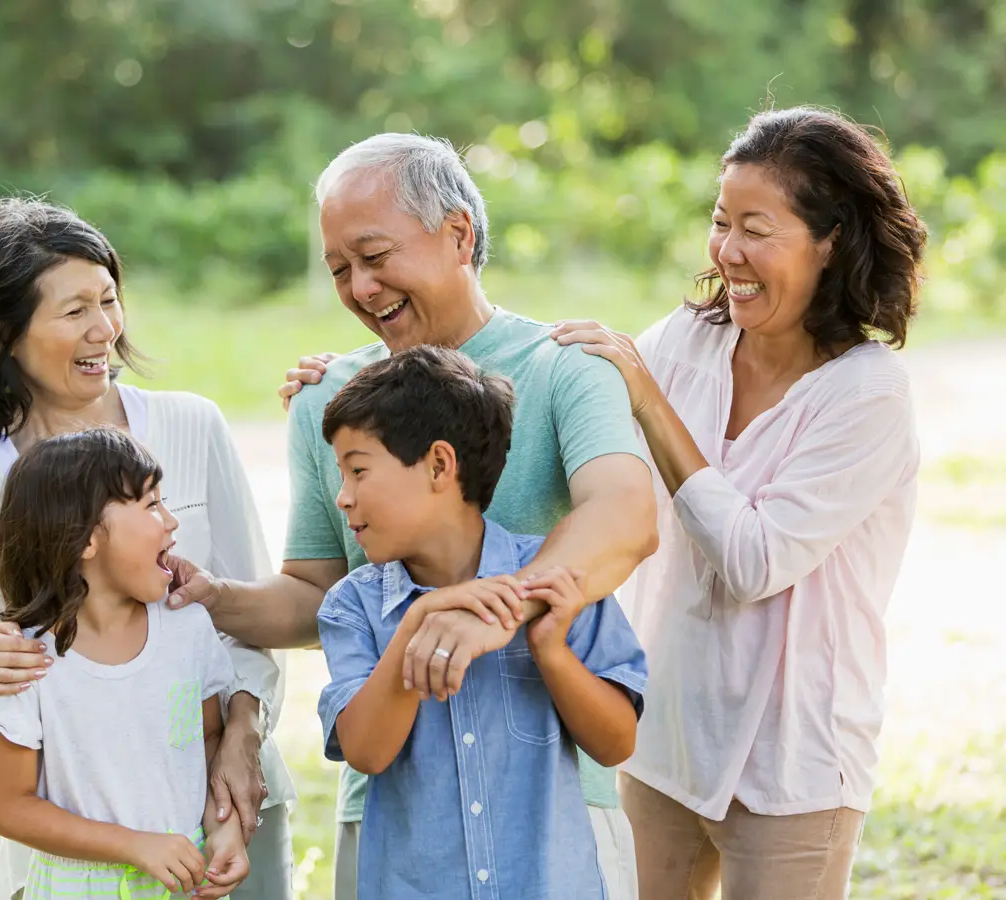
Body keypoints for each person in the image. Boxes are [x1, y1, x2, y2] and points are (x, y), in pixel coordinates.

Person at [169, 133, 658, 900]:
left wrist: (490, 613)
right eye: (339, 269)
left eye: (374, 256)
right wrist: (212, 599)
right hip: (400, 816)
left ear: (459, 234)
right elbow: (315, 594)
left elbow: (626, 516)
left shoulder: (567, 365)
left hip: (552, 804)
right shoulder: (331, 401)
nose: (361, 288)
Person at [544, 107, 926, 898]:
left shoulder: (869, 394)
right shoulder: (688, 341)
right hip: (668, 741)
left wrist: (649, 401)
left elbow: (755, 560)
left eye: (757, 228)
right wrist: (356, 381)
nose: (727, 252)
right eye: (721, 223)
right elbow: (553, 410)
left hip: (796, 764)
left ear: (830, 240)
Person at [0, 198, 295, 900]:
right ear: (0, 333)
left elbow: (246, 623)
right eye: (74, 311)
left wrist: (242, 739)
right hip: (70, 859)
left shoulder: (190, 425)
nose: (105, 329)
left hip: (226, 814)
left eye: (109, 300)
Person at [315, 346, 648, 899]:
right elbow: (367, 753)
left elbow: (616, 744)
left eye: (357, 471)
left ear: (439, 466)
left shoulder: (556, 585)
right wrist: (418, 619)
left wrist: (551, 649)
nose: (343, 498)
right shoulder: (354, 607)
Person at [0, 428, 248, 899]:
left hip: (183, 884)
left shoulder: (187, 629)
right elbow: (8, 806)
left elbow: (207, 741)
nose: (171, 521)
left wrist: (224, 830)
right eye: (150, 505)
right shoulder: (23, 660)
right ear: (84, 537)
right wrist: (134, 846)